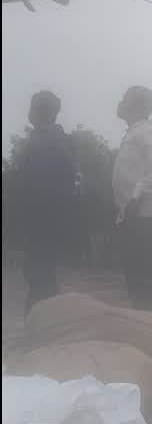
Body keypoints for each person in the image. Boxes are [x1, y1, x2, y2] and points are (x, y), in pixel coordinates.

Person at [13, 91, 78, 314]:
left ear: (43, 112)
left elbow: (57, 184)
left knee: (41, 277)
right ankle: (41, 324)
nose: (29, 111)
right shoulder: (43, 138)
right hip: (38, 221)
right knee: (37, 275)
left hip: (43, 221)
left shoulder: (53, 141)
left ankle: (42, 326)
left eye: (34, 107)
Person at [113, 86, 152, 314]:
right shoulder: (133, 133)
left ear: (138, 106)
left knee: (144, 284)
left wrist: (136, 196)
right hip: (133, 218)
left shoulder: (146, 131)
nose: (120, 102)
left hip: (145, 219)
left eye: (125, 98)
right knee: (137, 284)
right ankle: (150, 335)